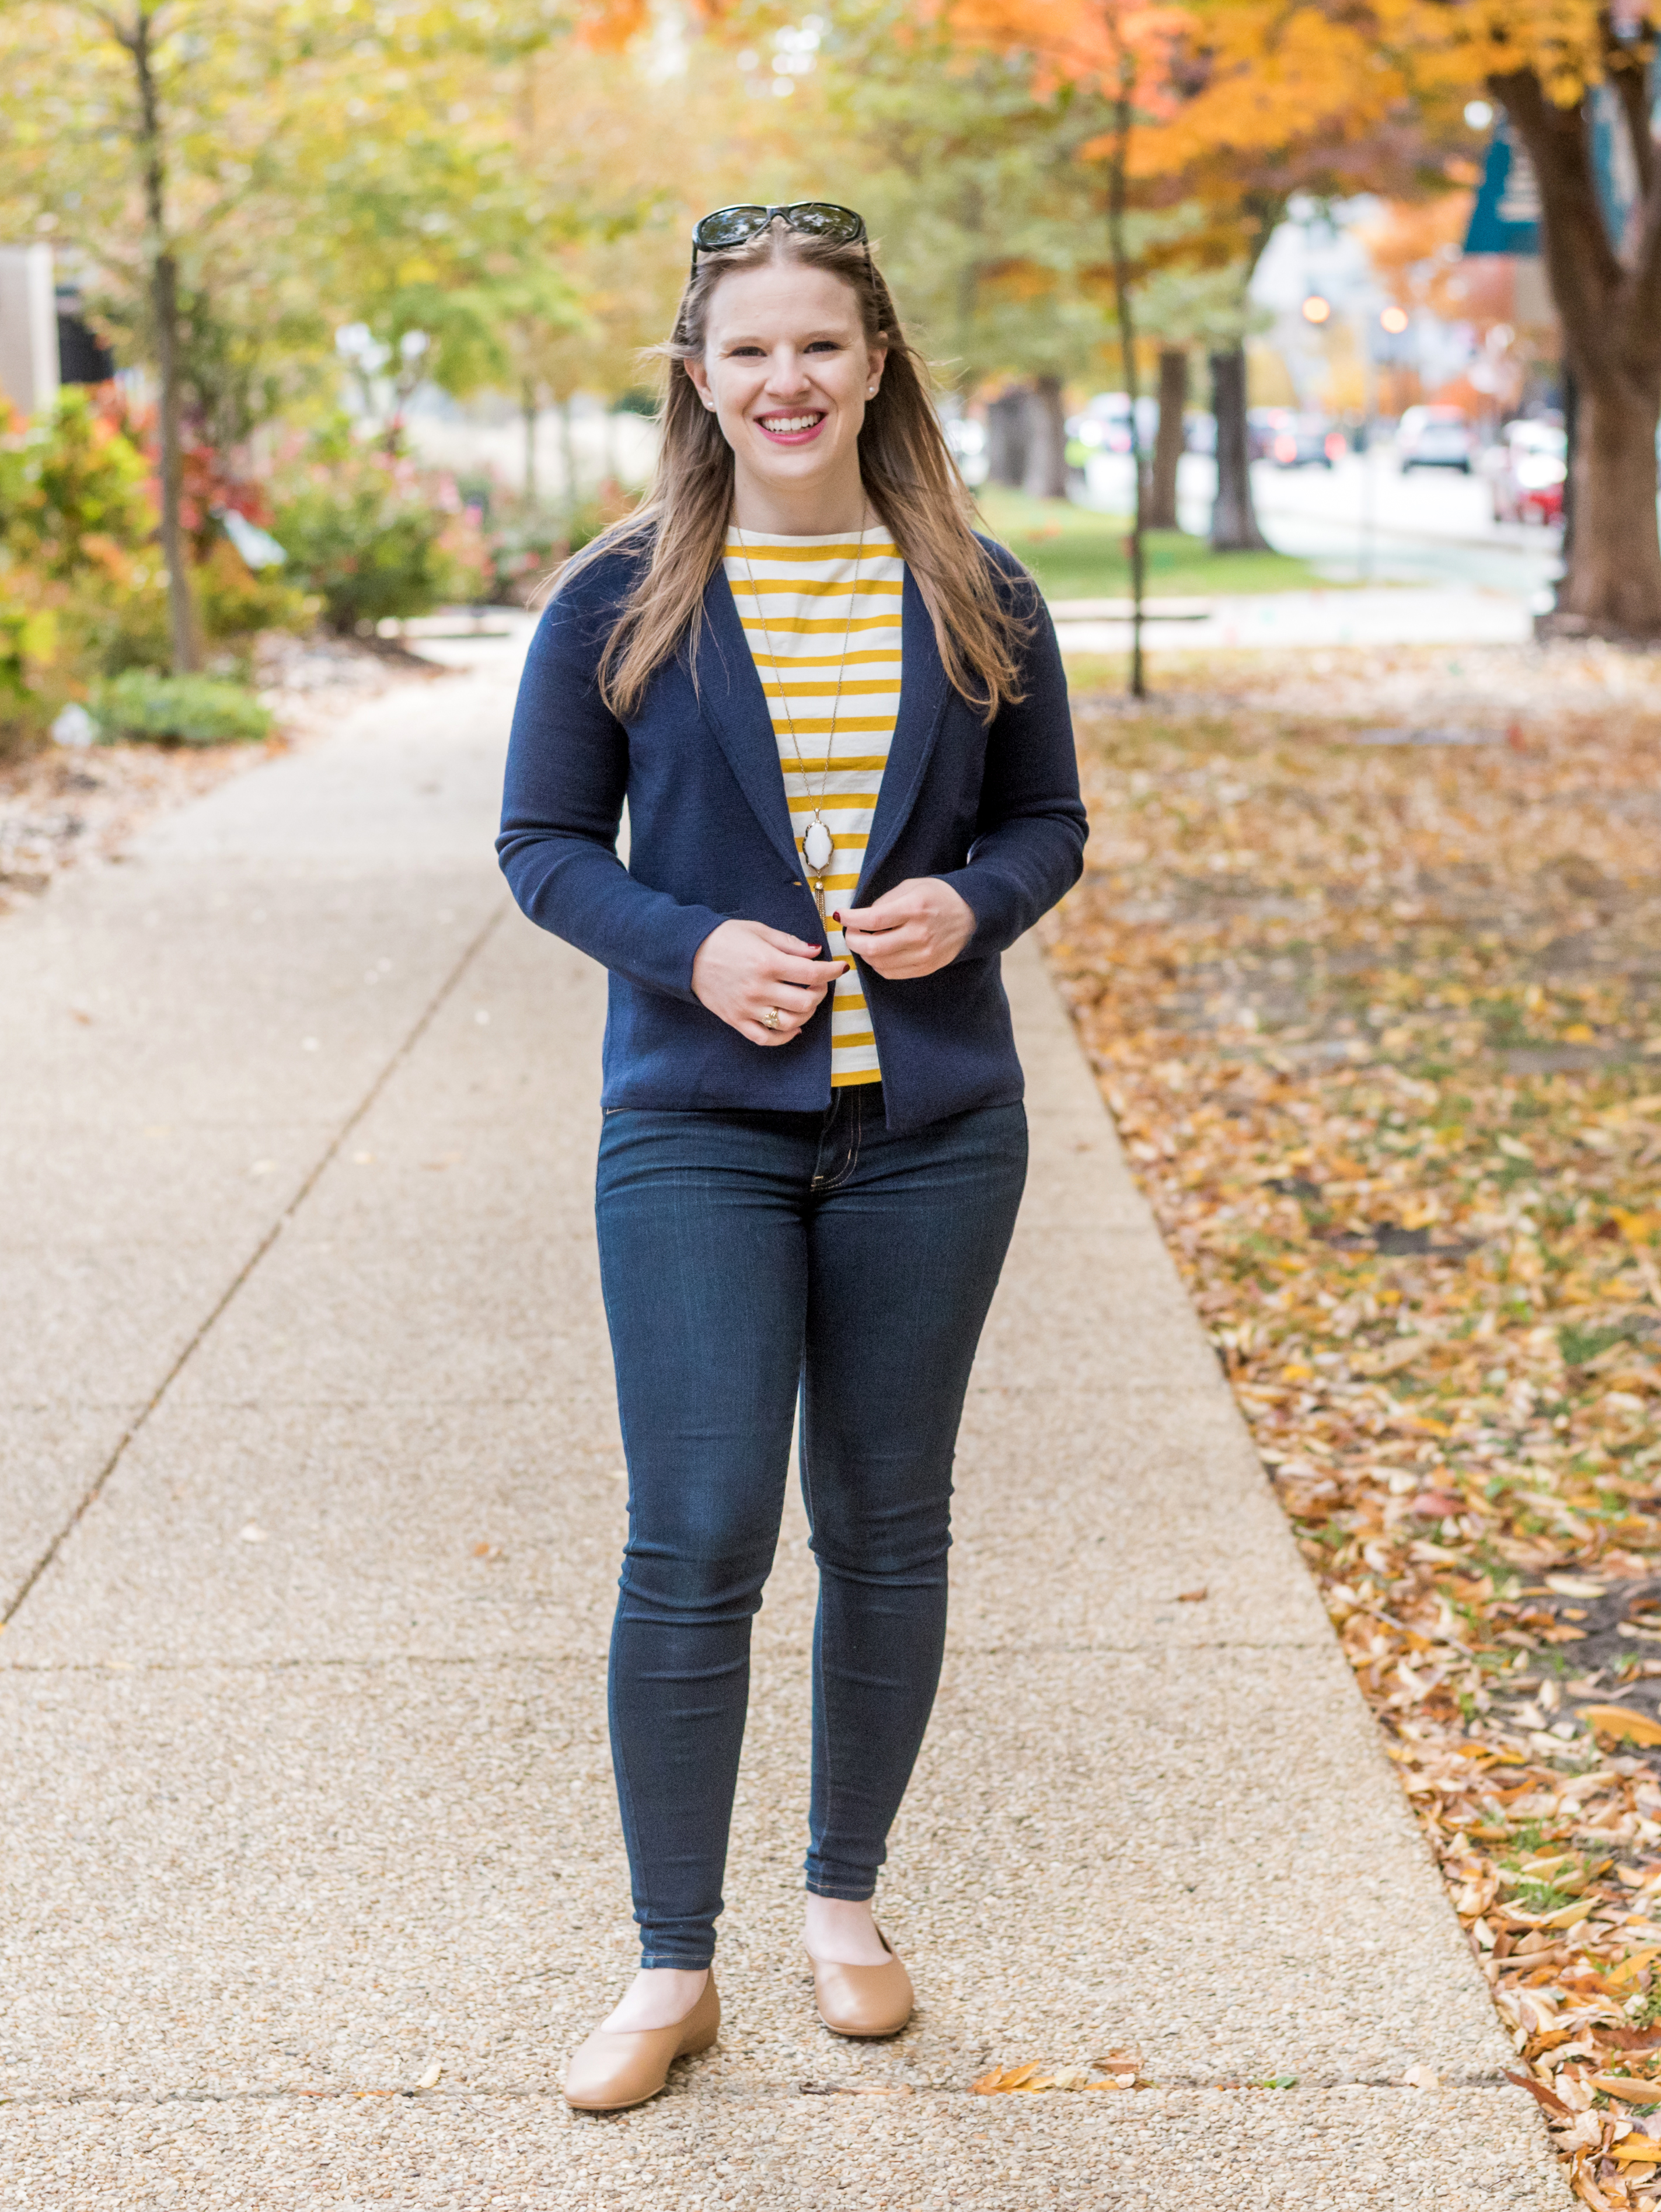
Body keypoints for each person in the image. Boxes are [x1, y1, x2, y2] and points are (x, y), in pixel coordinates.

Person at [495, 201, 1086, 2113]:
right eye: (746, 348)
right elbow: (539, 845)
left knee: (887, 1525)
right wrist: (687, 943)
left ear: (879, 360)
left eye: (818, 342)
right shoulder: (617, 601)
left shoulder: (976, 588)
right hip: (692, 1131)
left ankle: (844, 1903)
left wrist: (967, 907)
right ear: (695, 377)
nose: (785, 380)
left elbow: (1048, 821)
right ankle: (672, 1963)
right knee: (696, 1534)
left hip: (930, 1134)